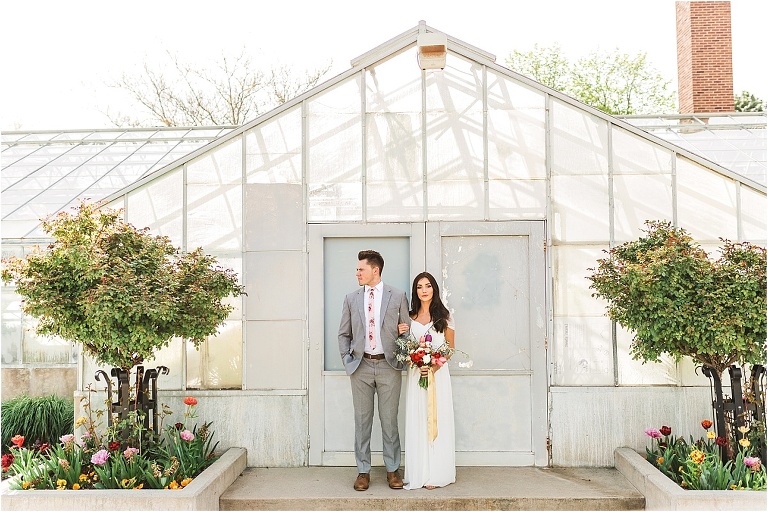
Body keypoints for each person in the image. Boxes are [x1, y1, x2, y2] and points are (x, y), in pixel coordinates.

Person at [338, 250, 411, 491]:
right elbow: (343, 333)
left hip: (389, 366)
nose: (357, 273)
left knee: (389, 421)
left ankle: (392, 469)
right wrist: (348, 359)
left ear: (375, 270)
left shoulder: (398, 295)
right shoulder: (351, 298)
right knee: (362, 421)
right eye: (357, 269)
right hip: (361, 366)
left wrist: (402, 354)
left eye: (361, 269)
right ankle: (363, 471)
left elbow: (405, 331)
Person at [399, 271, 456, 490]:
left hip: (437, 376)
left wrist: (432, 366)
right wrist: (415, 361)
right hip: (416, 375)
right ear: (415, 291)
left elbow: (449, 349)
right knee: (418, 419)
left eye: (428, 286)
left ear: (434, 289)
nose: (424, 290)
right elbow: (403, 345)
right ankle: (419, 471)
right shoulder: (409, 318)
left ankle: (437, 473)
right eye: (420, 287)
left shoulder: (445, 317)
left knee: (436, 419)